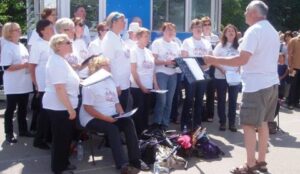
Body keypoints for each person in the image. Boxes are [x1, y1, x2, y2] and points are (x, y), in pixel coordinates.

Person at [204, 1, 280, 173]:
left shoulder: (254, 31)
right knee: (263, 124)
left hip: (256, 86)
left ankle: (250, 164)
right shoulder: (272, 30)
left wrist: (214, 60)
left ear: (253, 12)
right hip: (271, 83)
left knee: (248, 125)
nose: (245, 13)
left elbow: (241, 60)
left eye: (246, 11)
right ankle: (261, 161)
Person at [79, 55, 150, 173]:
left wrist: (122, 114)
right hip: (92, 118)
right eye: (107, 65)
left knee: (128, 122)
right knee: (112, 128)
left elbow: (116, 103)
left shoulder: (110, 80)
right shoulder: (89, 84)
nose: (110, 67)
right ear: (98, 67)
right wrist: (106, 118)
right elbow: (88, 108)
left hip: (109, 115)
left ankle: (135, 160)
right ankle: (122, 164)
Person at [43, 34, 80, 174]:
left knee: (65, 137)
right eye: (67, 42)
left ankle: (64, 163)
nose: (71, 43)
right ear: (58, 46)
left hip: (63, 105)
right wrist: (70, 109)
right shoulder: (56, 62)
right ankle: (58, 168)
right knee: (61, 138)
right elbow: (59, 88)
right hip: (59, 107)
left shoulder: (61, 60)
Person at [0, 22, 34, 143]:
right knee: (10, 109)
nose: (20, 31)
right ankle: (9, 133)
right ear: (9, 32)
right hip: (13, 84)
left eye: (19, 29)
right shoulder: (7, 47)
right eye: (16, 30)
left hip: (24, 83)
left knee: (23, 108)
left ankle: (23, 130)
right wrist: (24, 65)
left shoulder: (21, 45)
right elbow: (6, 67)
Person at [180, 19, 212, 131]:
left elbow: (210, 58)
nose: (198, 29)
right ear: (192, 29)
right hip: (191, 74)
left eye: (200, 27)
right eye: (195, 27)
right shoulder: (187, 42)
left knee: (199, 100)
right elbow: (184, 58)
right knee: (189, 99)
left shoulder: (207, 42)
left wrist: (205, 65)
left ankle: (197, 124)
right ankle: (185, 124)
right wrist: (195, 66)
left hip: (203, 74)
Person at [29, 19, 54, 149]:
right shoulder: (37, 45)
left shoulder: (53, 43)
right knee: (44, 114)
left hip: (53, 84)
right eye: (49, 28)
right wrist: (36, 85)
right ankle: (39, 140)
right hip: (43, 84)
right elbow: (31, 66)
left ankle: (48, 136)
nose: (52, 29)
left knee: (50, 112)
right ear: (42, 31)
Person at [151, 22, 180, 130]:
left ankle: (165, 123)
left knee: (169, 100)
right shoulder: (157, 43)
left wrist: (176, 63)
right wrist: (165, 62)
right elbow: (153, 60)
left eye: (172, 30)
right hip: (161, 73)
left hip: (173, 74)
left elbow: (178, 60)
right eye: (168, 30)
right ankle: (157, 122)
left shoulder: (176, 44)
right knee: (161, 100)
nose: (170, 32)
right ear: (163, 31)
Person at [130, 27, 159, 135]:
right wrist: (142, 87)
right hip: (137, 87)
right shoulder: (133, 51)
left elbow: (152, 70)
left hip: (148, 87)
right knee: (139, 112)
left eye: (148, 36)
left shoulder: (149, 51)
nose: (148, 39)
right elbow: (133, 71)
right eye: (145, 36)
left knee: (146, 112)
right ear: (138, 37)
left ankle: (145, 132)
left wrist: (155, 84)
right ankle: (137, 135)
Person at [213, 24, 240, 132]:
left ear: (236, 33)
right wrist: (221, 69)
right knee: (221, 100)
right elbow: (213, 60)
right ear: (224, 33)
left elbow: (243, 60)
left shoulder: (239, 46)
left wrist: (240, 67)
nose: (230, 32)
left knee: (233, 100)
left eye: (232, 30)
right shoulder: (220, 46)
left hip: (234, 77)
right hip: (221, 77)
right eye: (228, 31)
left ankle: (232, 123)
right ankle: (222, 122)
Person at [101, 12, 131, 110]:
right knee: (117, 113)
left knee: (124, 111)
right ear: (113, 22)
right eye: (122, 21)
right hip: (117, 85)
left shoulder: (119, 38)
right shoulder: (109, 39)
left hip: (125, 83)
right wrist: (116, 85)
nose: (124, 23)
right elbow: (109, 64)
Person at [201, 16, 220, 122]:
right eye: (205, 24)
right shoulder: (200, 37)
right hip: (201, 67)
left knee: (211, 92)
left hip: (212, 67)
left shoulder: (215, 38)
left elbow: (217, 54)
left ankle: (210, 114)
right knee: (200, 92)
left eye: (209, 24)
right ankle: (200, 113)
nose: (207, 26)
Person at [287, 31, 300, 109]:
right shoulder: (293, 40)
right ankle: (290, 103)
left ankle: (296, 102)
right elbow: (289, 54)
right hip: (294, 67)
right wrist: (290, 66)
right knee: (293, 86)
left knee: (299, 86)